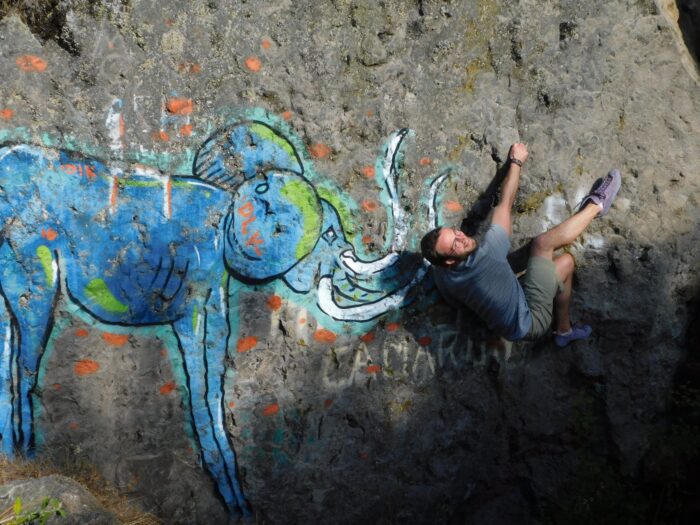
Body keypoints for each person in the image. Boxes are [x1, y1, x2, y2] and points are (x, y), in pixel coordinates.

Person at [420, 143, 621, 347]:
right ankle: (597, 206)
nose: (462, 238)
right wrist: (516, 162)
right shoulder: (488, 254)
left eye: (456, 233)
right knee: (547, 248)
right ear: (449, 260)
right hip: (531, 323)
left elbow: (455, 300)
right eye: (455, 245)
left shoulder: (442, 274)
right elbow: (505, 203)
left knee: (548, 260)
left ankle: (563, 330)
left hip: (508, 320)